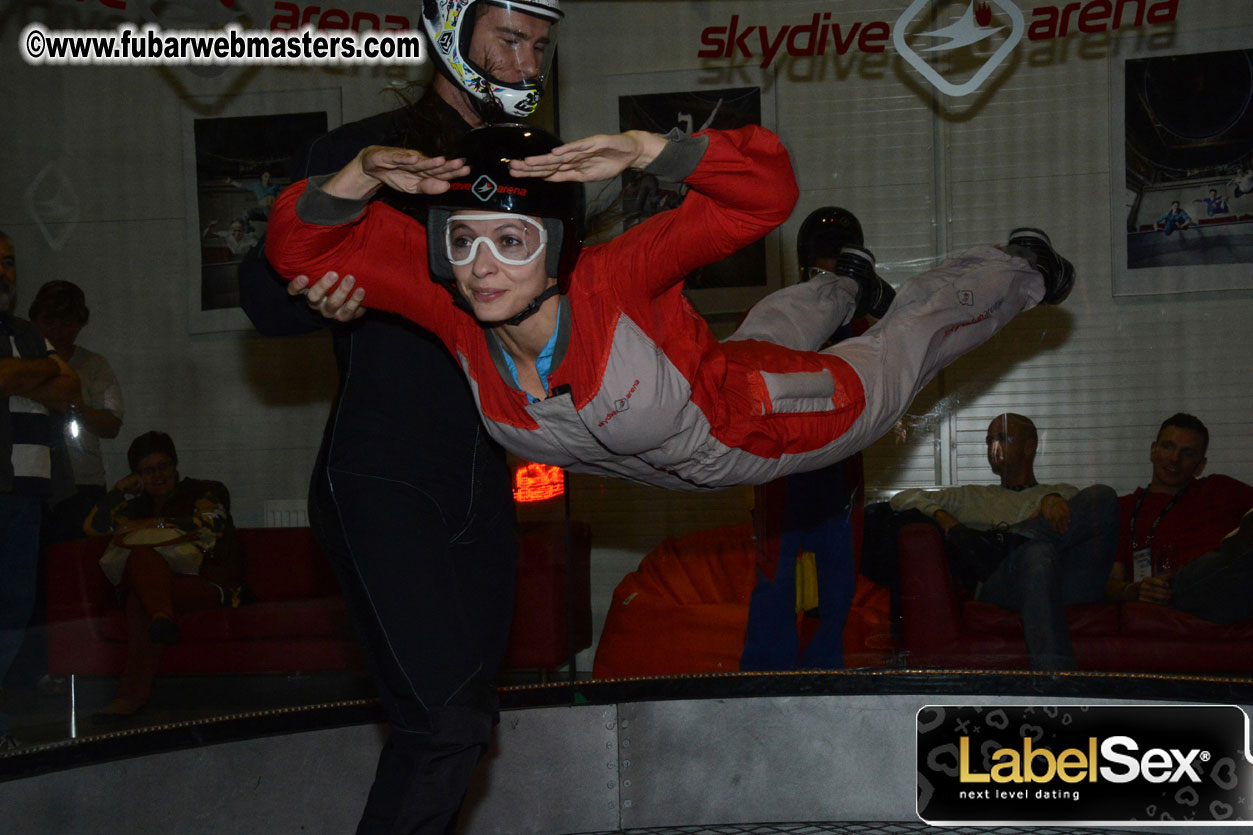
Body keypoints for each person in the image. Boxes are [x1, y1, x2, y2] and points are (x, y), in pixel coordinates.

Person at [267, 122, 1075, 492]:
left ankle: (1021, 267)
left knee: (905, 347)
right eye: (464, 241)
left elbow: (765, 194)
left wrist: (653, 149)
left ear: (557, 245)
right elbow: (297, 249)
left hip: (754, 430)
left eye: (511, 241)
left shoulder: (612, 277)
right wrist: (360, 170)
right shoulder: (455, 304)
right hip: (705, 378)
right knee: (757, 337)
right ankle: (845, 283)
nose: (483, 267)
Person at [239, 2, 562, 832]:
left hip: (481, 475)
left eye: (540, 45)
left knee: (460, 726)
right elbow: (262, 298)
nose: (528, 64)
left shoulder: (537, 163)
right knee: (447, 723)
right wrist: (315, 295)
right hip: (382, 467)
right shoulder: (365, 152)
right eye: (510, 39)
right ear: (451, 34)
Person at [889, 414, 1118, 670]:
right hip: (1001, 582)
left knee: (1103, 497)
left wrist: (1051, 498)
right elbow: (902, 498)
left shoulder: (1063, 493)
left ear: (1029, 447)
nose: (993, 447)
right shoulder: (972, 497)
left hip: (1063, 583)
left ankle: (1013, 539)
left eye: (1003, 438)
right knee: (1037, 554)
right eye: (989, 440)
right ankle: (1055, 682)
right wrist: (945, 519)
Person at [82, 431, 243, 719]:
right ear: (138, 476)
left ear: (175, 466)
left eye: (163, 466)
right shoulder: (133, 508)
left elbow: (211, 523)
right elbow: (92, 527)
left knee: (139, 593)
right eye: (148, 470)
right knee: (141, 585)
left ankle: (129, 698)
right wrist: (119, 489)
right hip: (160, 591)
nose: (158, 475)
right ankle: (161, 618)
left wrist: (154, 524)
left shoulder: (205, 491)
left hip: (205, 583)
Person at [0, 230, 79, 749]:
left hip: (27, 489)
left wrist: (39, 372)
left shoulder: (26, 332)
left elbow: (70, 389)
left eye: (8, 261)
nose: (3, 271)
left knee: (15, 606)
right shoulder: (37, 346)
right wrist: (46, 370)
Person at [1107, 413, 1253, 624]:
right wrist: (1133, 590)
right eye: (1168, 447)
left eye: (1187, 453)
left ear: (1200, 465)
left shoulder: (1220, 489)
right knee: (1210, 568)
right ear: (1153, 450)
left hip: (1233, 592)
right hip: (1177, 593)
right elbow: (1111, 581)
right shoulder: (1124, 508)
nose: (1174, 459)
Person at [28, 281, 124, 542]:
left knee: (80, 560)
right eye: (49, 323)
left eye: (67, 324)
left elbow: (112, 425)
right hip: (31, 481)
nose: (58, 331)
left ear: (80, 324)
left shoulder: (94, 365)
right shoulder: (21, 365)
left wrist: (76, 406)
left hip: (83, 483)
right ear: (35, 320)